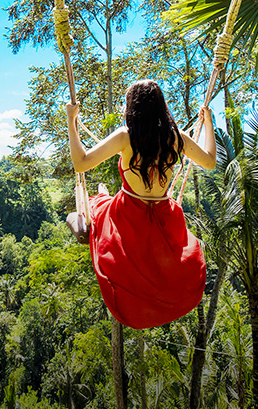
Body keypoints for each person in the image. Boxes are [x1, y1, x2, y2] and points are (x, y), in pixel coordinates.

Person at [65, 79, 216, 329]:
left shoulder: (126, 136)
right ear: (161, 106)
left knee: (96, 207)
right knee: (169, 268)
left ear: (131, 107)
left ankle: (103, 193)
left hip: (129, 214)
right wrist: (208, 123)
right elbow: (210, 161)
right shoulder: (176, 137)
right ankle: (104, 194)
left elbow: (81, 163)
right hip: (164, 214)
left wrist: (72, 121)